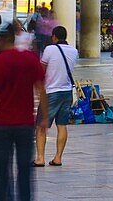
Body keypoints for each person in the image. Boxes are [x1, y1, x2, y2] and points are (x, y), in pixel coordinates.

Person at [0, 30, 48, 201]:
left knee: (1, 170)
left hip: (1, 124)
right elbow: (41, 89)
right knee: (25, 169)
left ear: (1, 41)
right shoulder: (31, 59)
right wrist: (44, 117)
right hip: (25, 123)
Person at [35, 25, 78, 167]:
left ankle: (40, 158)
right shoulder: (74, 51)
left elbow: (41, 70)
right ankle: (58, 157)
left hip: (51, 91)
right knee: (62, 125)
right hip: (66, 92)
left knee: (42, 126)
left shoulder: (49, 49)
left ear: (54, 36)